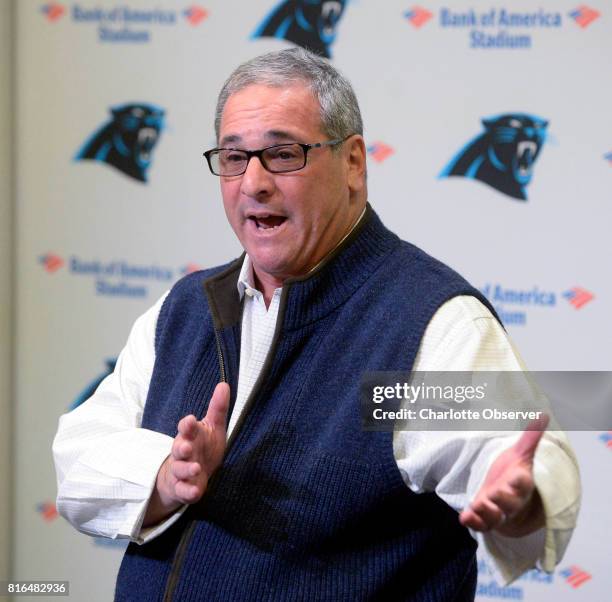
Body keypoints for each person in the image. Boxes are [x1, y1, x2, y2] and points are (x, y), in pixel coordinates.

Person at [53, 48, 580, 601]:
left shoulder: (420, 321)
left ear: (353, 163)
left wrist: (520, 499)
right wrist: (164, 477)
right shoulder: (185, 308)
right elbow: (81, 462)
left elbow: (513, 459)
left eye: (282, 154)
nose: (252, 183)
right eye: (234, 158)